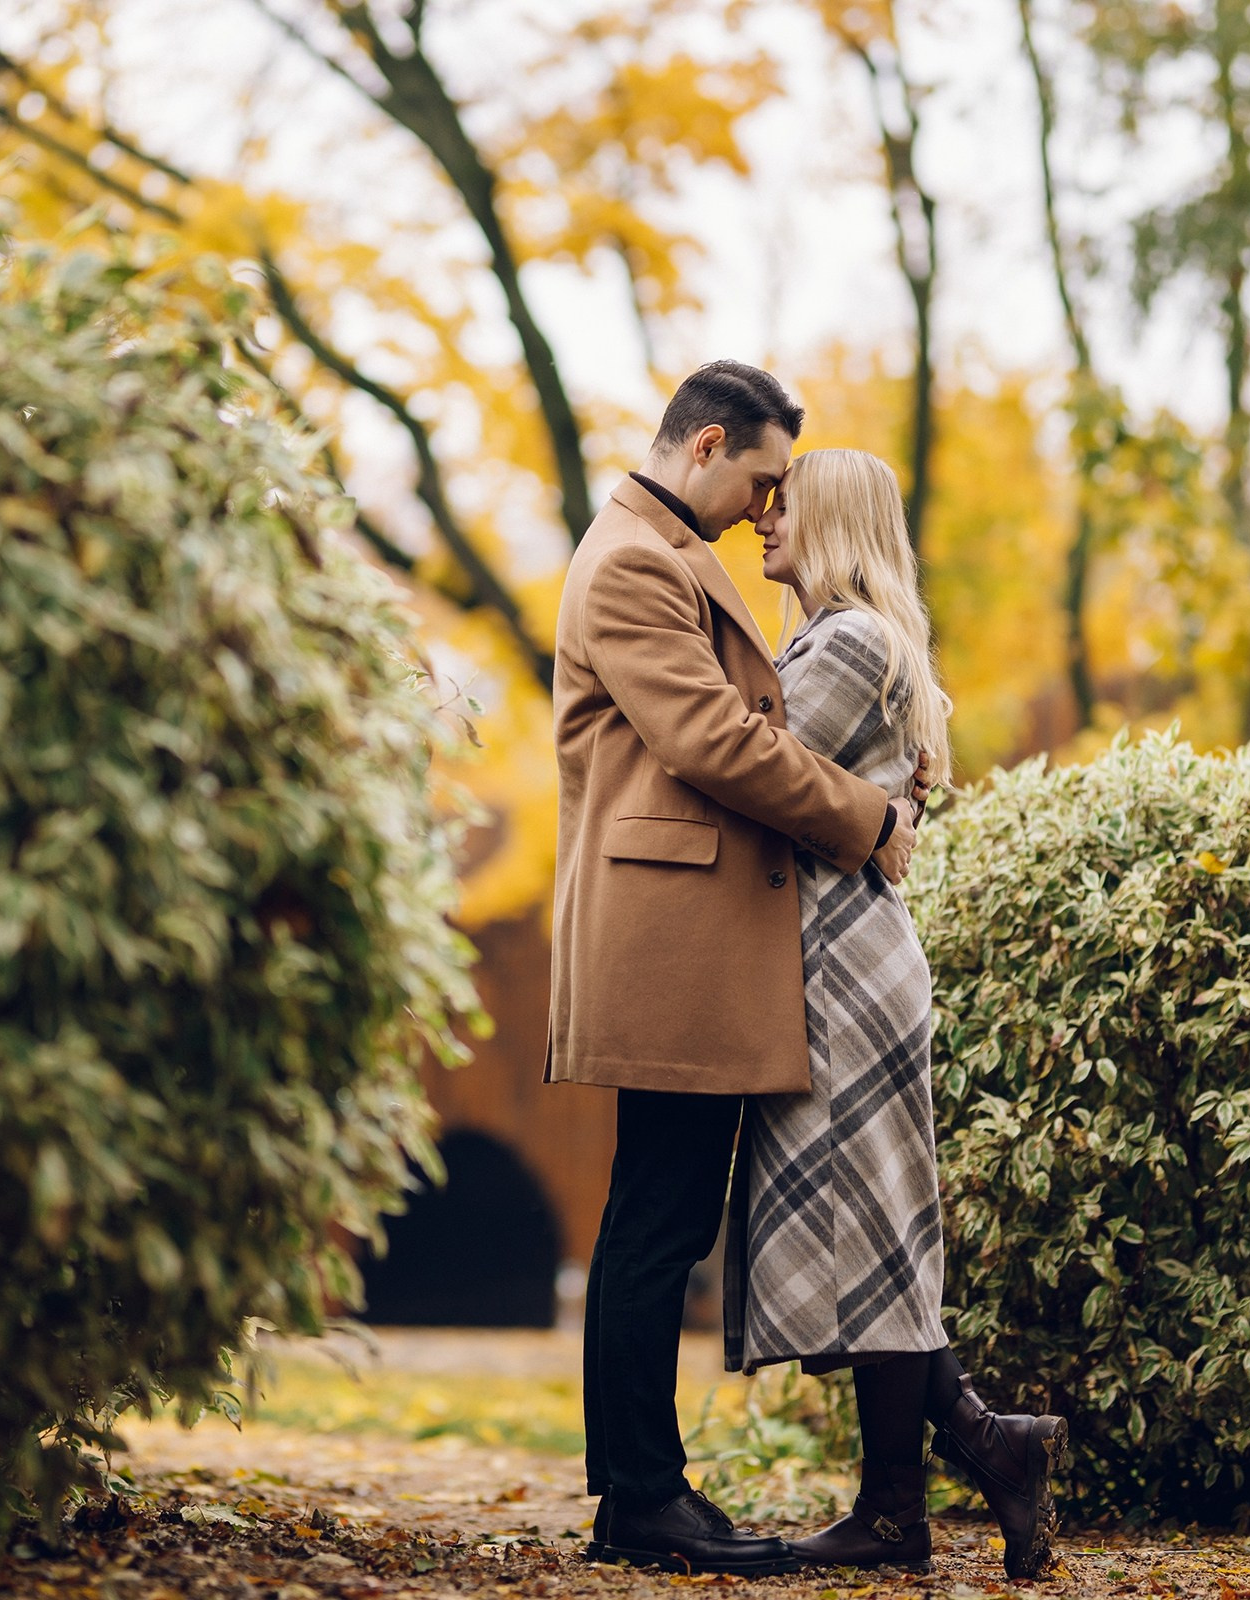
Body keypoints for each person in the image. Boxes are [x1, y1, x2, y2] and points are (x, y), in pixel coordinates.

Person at [549, 362, 926, 1578]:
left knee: (660, 1213)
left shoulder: (658, 552)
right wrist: (868, 817)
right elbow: (712, 739)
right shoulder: (632, 561)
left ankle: (643, 1490)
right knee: (656, 1217)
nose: (769, 509)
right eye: (762, 479)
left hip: (691, 929)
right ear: (706, 445)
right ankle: (642, 1496)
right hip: (667, 932)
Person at [734, 448, 1068, 1581]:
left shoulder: (852, 642)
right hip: (845, 961)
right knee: (877, 1230)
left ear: (834, 521)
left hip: (845, 969)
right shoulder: (847, 638)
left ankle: (909, 1503)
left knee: (877, 1231)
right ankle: (972, 1455)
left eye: (788, 504)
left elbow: (754, 771)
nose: (765, 520)